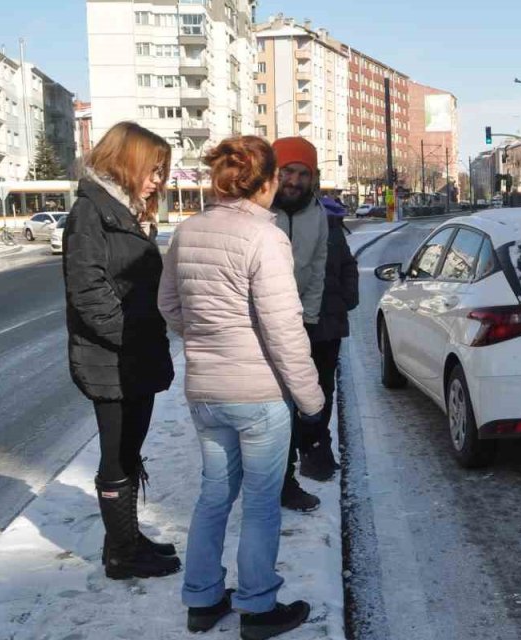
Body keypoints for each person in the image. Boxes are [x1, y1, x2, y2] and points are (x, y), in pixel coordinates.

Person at [159, 136, 324, 639]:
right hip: (257, 396)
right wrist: (312, 401)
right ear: (268, 181)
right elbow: (283, 328)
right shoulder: (266, 238)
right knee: (259, 502)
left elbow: (169, 305)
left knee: (213, 495)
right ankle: (257, 606)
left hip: (205, 393)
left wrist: (209, 338)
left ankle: (203, 599)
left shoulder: (188, 231)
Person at [63, 121, 180, 581]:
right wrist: (131, 337)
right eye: (153, 169)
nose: (158, 180)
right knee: (117, 454)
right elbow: (88, 291)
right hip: (112, 358)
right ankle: (123, 555)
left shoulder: (121, 210)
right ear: (125, 161)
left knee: (129, 451)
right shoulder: (91, 213)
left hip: (132, 355)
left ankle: (126, 540)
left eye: (162, 171)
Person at [268, 137, 330, 511]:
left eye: (302, 173)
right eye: (286, 171)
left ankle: (285, 481)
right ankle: (258, 481)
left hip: (295, 326)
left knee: (289, 408)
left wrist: (307, 319)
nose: (293, 180)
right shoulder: (256, 210)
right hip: (254, 325)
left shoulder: (317, 214)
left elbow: (318, 269)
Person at [298, 196, 359, 482]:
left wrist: (346, 299)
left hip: (327, 322)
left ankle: (317, 449)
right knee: (313, 388)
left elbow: (348, 267)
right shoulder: (308, 226)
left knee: (320, 388)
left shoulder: (331, 230)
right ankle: (313, 449)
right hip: (303, 322)